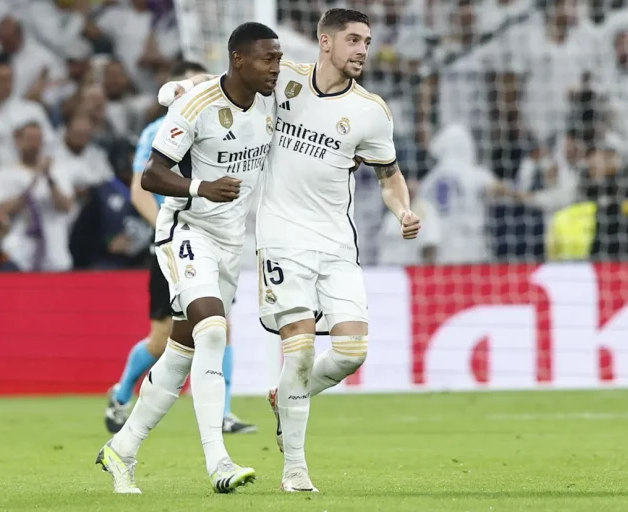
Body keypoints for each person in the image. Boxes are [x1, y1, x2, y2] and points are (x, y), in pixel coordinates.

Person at [159, 7, 421, 494]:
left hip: (338, 243)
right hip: (280, 237)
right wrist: (179, 90)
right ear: (326, 42)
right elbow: (223, 81)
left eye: (367, 41)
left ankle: (284, 395)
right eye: (354, 40)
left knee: (350, 352)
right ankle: (295, 471)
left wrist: (402, 210)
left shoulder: (372, 111)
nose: (363, 49)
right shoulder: (283, 80)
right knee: (298, 349)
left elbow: (390, 176)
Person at [95, 22, 281, 494]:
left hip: (229, 243)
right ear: (238, 59)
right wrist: (202, 188)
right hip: (186, 230)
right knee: (213, 331)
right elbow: (152, 176)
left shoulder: (271, 100)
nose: (275, 69)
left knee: (181, 353)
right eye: (267, 60)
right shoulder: (194, 108)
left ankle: (123, 447)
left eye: (279, 60)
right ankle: (218, 461)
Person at [103, 61, 257, 437]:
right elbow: (142, 185)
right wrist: (162, 228)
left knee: (221, 326)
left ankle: (223, 413)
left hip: (214, 239)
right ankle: (122, 394)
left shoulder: (225, 126)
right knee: (163, 338)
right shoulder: (158, 130)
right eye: (198, 84)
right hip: (173, 239)